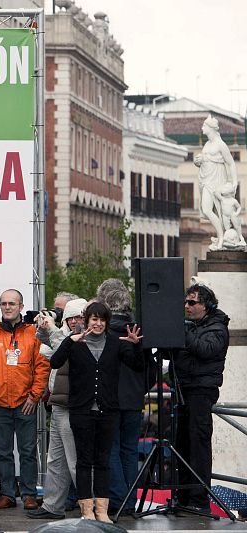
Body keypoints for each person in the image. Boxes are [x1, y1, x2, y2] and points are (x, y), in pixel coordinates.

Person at [50, 302, 143, 522]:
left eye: (102, 320)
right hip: (81, 409)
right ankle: (86, 510)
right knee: (83, 461)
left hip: (108, 409)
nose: (98, 323)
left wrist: (136, 346)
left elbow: (137, 366)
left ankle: (101, 509)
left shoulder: (115, 343)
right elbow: (55, 362)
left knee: (102, 461)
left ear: (106, 322)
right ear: (86, 320)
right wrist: (68, 340)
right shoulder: (75, 342)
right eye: (94, 319)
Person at [0, 289, 49, 511]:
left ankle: (28, 494)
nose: (7, 307)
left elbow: (42, 366)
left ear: (21, 306)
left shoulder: (34, 333)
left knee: (27, 452)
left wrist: (34, 396)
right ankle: (7, 493)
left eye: (12, 304)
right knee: (2, 453)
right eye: (4, 303)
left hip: (25, 403)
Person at [27, 298, 87, 520]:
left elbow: (65, 347)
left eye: (79, 316)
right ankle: (53, 505)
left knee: (75, 461)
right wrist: (43, 326)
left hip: (75, 406)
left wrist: (53, 330)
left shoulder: (88, 339)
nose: (75, 321)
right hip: (59, 404)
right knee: (56, 460)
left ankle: (88, 508)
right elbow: (48, 349)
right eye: (71, 317)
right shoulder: (63, 335)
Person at [174, 283, 228, 512]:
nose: (187, 306)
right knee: (182, 444)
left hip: (201, 391)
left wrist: (183, 333)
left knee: (198, 446)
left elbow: (206, 350)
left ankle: (199, 500)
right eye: (185, 302)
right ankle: (184, 496)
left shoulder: (217, 328)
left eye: (192, 302)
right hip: (185, 388)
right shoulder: (193, 326)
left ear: (206, 306)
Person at [97, 279, 147, 516]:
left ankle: (119, 500)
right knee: (129, 450)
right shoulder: (139, 329)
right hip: (135, 400)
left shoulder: (103, 332)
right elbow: (148, 368)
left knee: (111, 450)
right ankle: (130, 500)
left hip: (110, 400)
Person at [195, 115, 244, 250]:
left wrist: (234, 182)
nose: (202, 128)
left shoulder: (220, 144)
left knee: (221, 212)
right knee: (207, 209)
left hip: (217, 180)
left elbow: (231, 163)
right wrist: (198, 162)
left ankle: (222, 238)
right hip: (206, 180)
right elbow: (205, 160)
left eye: (204, 126)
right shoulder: (206, 144)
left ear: (210, 128)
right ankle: (221, 235)